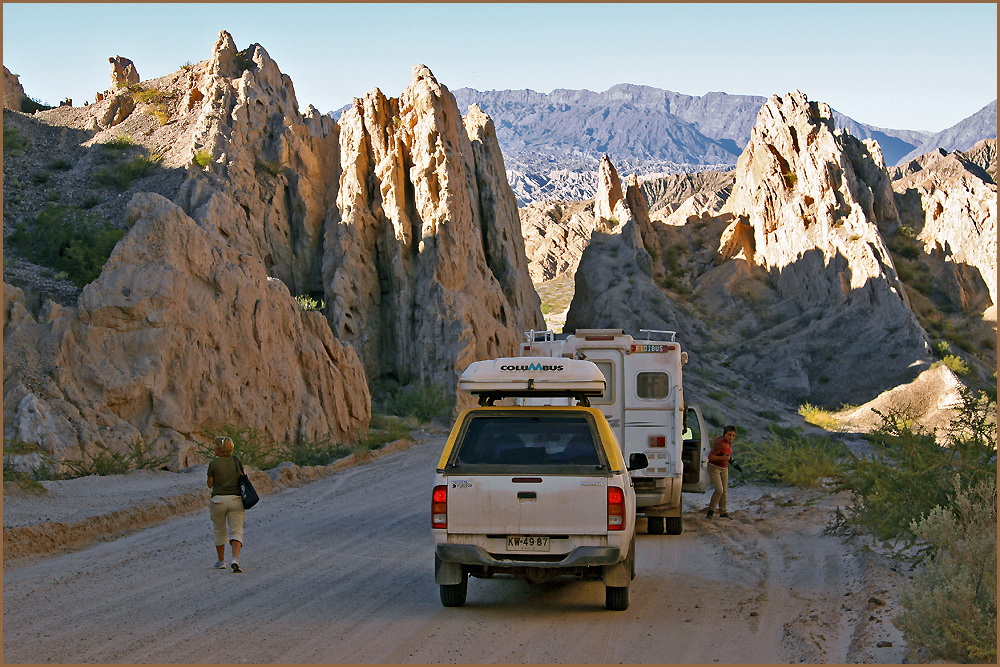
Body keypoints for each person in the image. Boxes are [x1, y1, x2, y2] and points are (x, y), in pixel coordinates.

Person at [207, 436, 245, 572]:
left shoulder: (213, 464)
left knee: (219, 530)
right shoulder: (237, 461)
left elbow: (210, 484)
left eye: (215, 446)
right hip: (236, 500)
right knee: (236, 530)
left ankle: (221, 561)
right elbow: (242, 477)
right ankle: (235, 559)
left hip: (218, 500)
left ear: (219, 449)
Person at [706, 425, 737, 518]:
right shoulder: (721, 444)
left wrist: (728, 458)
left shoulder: (728, 442)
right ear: (724, 434)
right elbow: (710, 457)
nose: (731, 437)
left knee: (724, 491)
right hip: (714, 467)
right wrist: (723, 458)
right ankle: (711, 510)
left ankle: (723, 511)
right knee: (719, 490)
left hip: (724, 467)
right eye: (729, 434)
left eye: (733, 435)